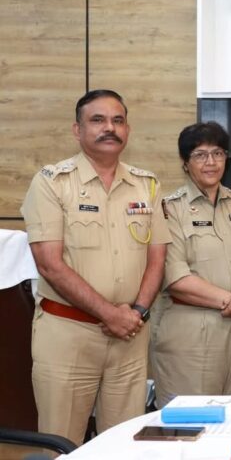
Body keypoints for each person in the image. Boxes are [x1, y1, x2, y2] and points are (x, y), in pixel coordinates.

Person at [21, 90, 170, 443]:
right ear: (77, 130)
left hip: (130, 335)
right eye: (98, 120)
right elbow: (50, 264)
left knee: (124, 444)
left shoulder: (147, 185)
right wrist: (110, 314)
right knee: (62, 443)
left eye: (118, 120)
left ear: (128, 129)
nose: (109, 128)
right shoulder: (52, 182)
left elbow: (157, 258)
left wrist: (136, 312)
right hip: (69, 336)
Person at [151, 122, 231, 407]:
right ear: (185, 163)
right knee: (192, 420)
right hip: (193, 331)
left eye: (218, 153)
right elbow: (175, 277)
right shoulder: (170, 209)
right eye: (200, 155)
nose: (211, 162)